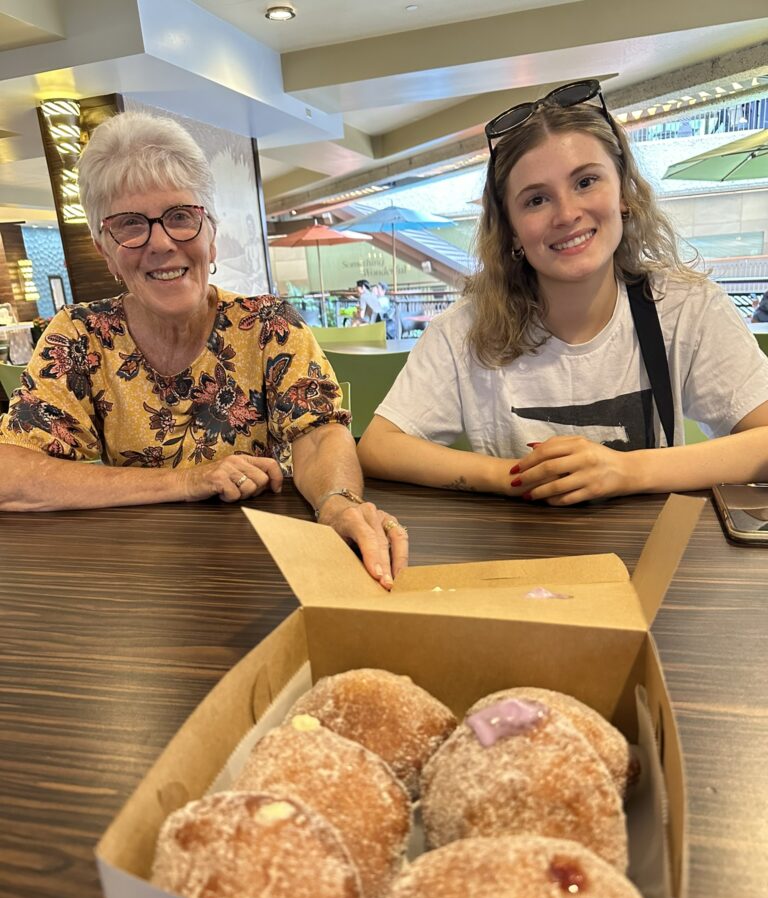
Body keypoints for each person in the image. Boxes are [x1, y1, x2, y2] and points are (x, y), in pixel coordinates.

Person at [0, 111, 407, 587]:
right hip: (135, 576)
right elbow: (12, 473)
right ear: (105, 250)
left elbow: (317, 435)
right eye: (131, 225)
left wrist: (339, 501)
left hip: (263, 569)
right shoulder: (80, 335)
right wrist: (189, 480)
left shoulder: (266, 324)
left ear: (211, 235)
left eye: (180, 218)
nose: (161, 243)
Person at [358, 80, 768, 504]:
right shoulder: (462, 331)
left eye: (586, 182)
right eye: (536, 200)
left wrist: (628, 470)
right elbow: (379, 447)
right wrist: (511, 476)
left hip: (654, 558)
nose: (568, 214)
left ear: (624, 192)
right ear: (511, 229)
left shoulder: (687, 308)